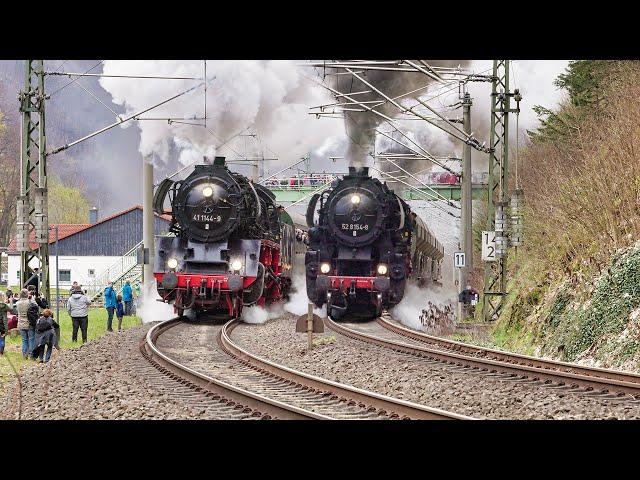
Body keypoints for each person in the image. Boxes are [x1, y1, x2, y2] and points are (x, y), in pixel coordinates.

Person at [16, 289, 35, 359]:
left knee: (24, 340)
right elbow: (36, 307)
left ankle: (24, 354)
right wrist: (32, 298)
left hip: (21, 323)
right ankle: (32, 354)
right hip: (29, 323)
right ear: (27, 294)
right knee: (31, 339)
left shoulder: (18, 303)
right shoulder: (30, 302)